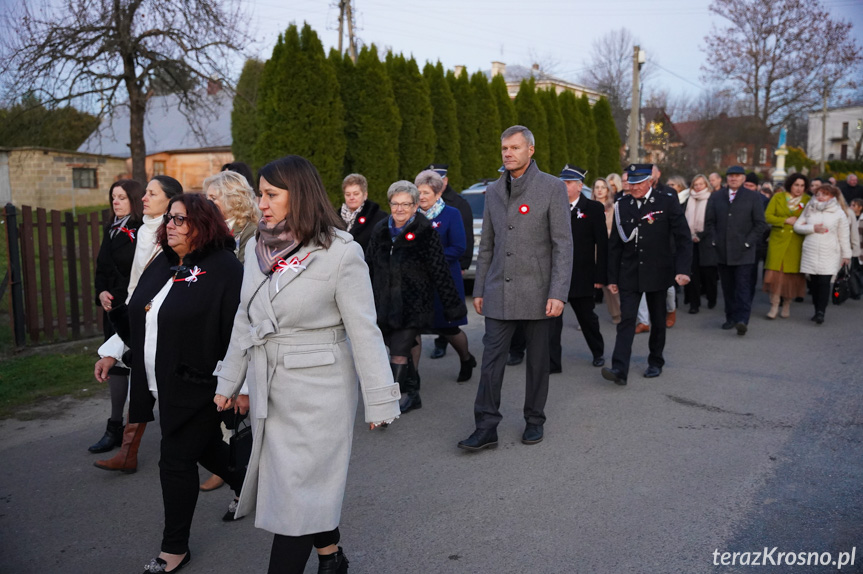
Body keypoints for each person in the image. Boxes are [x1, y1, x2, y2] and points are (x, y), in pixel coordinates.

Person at [214, 155, 401, 574]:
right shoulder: (256, 249)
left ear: (297, 196)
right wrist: (229, 380)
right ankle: (331, 555)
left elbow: (364, 330)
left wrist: (381, 400)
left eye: (271, 194)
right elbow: (246, 320)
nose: (261, 202)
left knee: (297, 499)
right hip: (269, 388)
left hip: (319, 394)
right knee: (297, 489)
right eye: (260, 193)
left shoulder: (340, 253)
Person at [95, 193, 246, 573]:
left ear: (203, 224)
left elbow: (238, 333)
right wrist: (113, 344)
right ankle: (249, 483)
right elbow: (141, 317)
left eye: (181, 219)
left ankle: (174, 548)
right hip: (160, 383)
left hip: (202, 384)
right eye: (170, 219)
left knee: (175, 460)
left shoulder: (225, 268)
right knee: (207, 449)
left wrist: (240, 387)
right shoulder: (161, 263)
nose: (172, 226)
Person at [459, 125, 572, 451]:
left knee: (538, 361)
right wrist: (479, 287)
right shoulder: (493, 190)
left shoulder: (552, 188)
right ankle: (486, 426)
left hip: (538, 292)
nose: (508, 153)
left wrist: (557, 292)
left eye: (515, 148)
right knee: (492, 360)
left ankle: (534, 419)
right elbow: (489, 245)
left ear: (530, 150)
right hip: (498, 291)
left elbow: (563, 245)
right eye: (504, 148)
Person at [93, 175, 183, 473]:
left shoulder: (177, 232)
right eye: (144, 192)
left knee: (176, 400)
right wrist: (116, 344)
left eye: (151, 193)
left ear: (169, 200)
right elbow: (135, 288)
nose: (143, 197)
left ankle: (219, 465)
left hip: (167, 324)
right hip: (139, 317)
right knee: (139, 388)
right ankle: (128, 454)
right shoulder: (144, 230)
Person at [366, 180, 466, 413]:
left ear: (414, 206)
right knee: (395, 349)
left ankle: (389, 404)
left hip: (413, 305)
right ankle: (413, 394)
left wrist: (452, 305)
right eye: (395, 204)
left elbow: (440, 270)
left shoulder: (425, 232)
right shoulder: (380, 230)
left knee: (399, 353)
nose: (400, 209)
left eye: (406, 204)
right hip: (384, 305)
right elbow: (369, 265)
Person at [601, 164, 691, 386]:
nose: (635, 187)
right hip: (630, 272)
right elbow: (614, 245)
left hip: (658, 271)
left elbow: (683, 237)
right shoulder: (623, 204)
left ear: (650, 181)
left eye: (640, 182)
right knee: (626, 320)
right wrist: (611, 278)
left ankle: (655, 361)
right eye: (631, 183)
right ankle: (620, 369)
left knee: (658, 320)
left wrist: (683, 270)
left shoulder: (666, 201)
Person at [88, 179, 144, 454]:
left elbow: (138, 273)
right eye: (113, 197)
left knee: (140, 366)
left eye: (122, 197)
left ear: (134, 199)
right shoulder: (112, 228)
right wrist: (101, 293)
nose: (116, 202)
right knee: (115, 366)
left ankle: (132, 435)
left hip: (132, 307)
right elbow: (102, 268)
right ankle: (115, 426)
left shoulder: (140, 230)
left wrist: (119, 297)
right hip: (111, 309)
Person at [414, 170, 475, 381]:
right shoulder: (411, 216)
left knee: (448, 328)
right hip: (417, 283)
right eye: (418, 192)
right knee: (414, 329)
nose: (421, 196)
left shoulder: (451, 214)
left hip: (444, 282)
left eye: (425, 192)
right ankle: (411, 379)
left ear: (437, 194)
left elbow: (458, 248)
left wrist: (430, 259)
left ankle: (466, 359)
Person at [549, 165, 607, 372]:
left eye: (568, 183)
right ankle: (553, 362)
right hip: (556, 276)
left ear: (580, 186)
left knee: (587, 318)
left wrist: (601, 275)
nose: (563, 186)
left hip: (582, 275)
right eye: (561, 182)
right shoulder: (552, 207)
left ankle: (598, 352)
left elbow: (602, 244)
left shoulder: (593, 209)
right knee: (552, 322)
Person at [703, 165, 768, 336]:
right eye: (731, 176)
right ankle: (730, 317)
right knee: (728, 286)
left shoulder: (753, 197)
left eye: (738, 176)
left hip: (744, 251)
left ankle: (742, 319)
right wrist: (715, 240)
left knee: (743, 286)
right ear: (727, 178)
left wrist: (748, 243)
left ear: (743, 179)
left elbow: (760, 224)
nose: (734, 179)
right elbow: (709, 222)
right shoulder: (716, 197)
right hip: (723, 250)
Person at [426, 163, 475, 360]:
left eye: (437, 181)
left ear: (445, 181)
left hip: (448, 268)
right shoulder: (420, 206)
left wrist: (463, 264)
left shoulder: (458, 205)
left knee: (447, 321)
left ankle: (461, 356)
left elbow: (465, 239)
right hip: (425, 274)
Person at [794, 184, 852, 323]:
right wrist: (812, 228)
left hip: (830, 251)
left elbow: (843, 235)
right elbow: (797, 226)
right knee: (814, 284)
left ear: (832, 196)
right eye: (818, 194)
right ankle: (816, 309)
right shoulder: (809, 208)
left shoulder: (839, 213)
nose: (820, 197)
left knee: (824, 282)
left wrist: (846, 255)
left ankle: (821, 312)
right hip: (811, 251)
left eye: (824, 194)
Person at [762, 173, 810, 319]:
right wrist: (785, 220)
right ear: (790, 184)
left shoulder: (808, 200)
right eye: (796, 185)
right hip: (778, 242)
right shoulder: (778, 197)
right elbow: (768, 216)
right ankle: (774, 305)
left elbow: (812, 219)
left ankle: (787, 305)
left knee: (791, 276)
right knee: (776, 276)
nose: (799, 189)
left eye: (802, 186)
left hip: (796, 242)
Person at [204, 170, 261, 263]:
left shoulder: (250, 232)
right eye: (207, 198)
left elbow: (243, 267)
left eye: (213, 198)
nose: (207, 203)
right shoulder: (206, 226)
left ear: (232, 200)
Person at [683, 174, 718, 314]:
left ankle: (711, 298)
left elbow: (714, 221)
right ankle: (694, 303)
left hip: (707, 241)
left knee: (708, 274)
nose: (697, 187)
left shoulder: (712, 199)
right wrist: (690, 235)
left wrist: (700, 235)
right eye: (695, 184)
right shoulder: (688, 199)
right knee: (693, 274)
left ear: (706, 185)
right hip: (690, 241)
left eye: (700, 184)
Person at [592, 177, 620, 323]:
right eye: (597, 187)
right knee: (588, 286)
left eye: (603, 187)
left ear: (608, 190)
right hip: (591, 250)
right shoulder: (587, 207)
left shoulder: (614, 208)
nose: (600, 190)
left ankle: (617, 314)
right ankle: (585, 319)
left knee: (610, 285)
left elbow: (616, 230)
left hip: (608, 250)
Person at [339, 173, 387, 252]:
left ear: (365, 195)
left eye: (356, 194)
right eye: (348, 194)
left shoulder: (378, 218)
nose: (351, 198)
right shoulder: (335, 218)